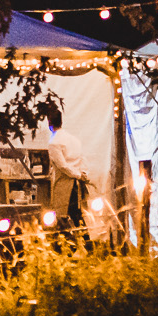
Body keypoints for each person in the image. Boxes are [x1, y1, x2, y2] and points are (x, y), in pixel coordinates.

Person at [44, 101, 95, 242]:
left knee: (63, 216)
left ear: (49, 123)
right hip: (78, 183)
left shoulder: (54, 142)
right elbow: (82, 158)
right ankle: (86, 244)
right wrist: (82, 173)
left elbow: (62, 166)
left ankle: (69, 246)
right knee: (77, 215)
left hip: (65, 184)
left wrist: (77, 174)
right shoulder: (73, 139)